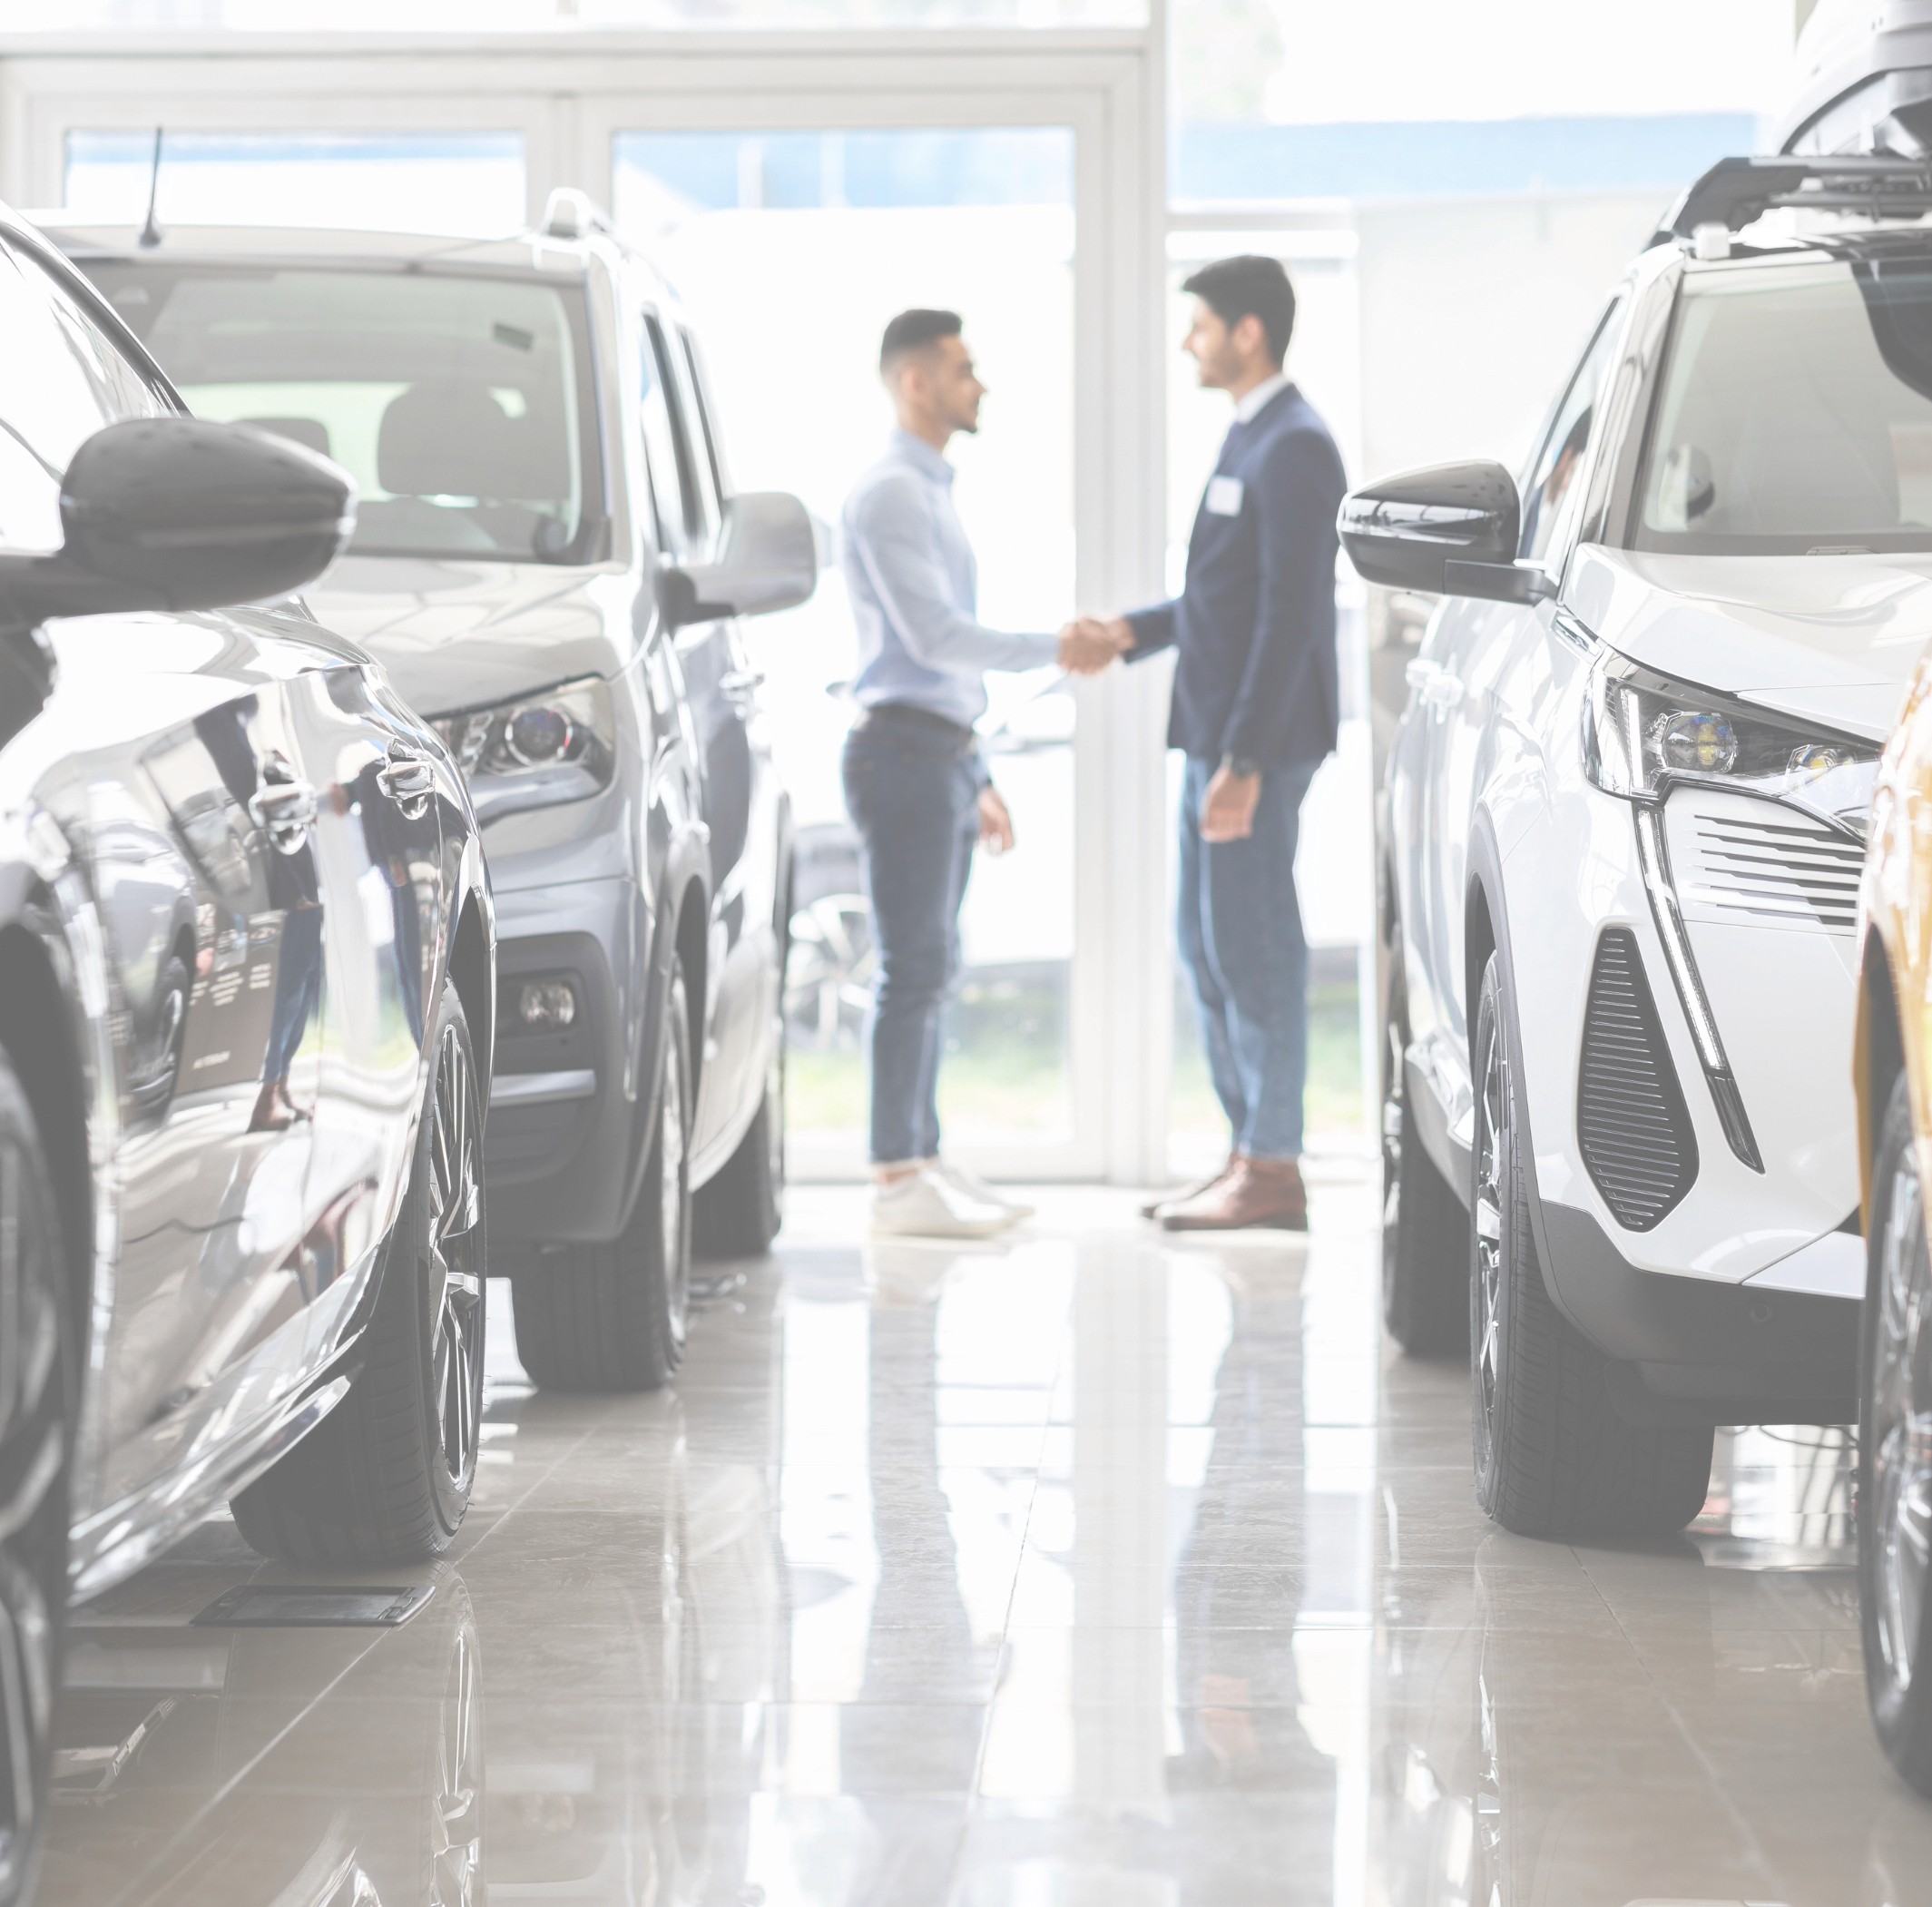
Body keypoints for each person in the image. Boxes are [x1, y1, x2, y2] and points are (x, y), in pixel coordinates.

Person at [842, 308, 1124, 1239]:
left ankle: (920, 1159)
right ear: (915, 381)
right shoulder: (891, 494)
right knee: (911, 967)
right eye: (963, 369)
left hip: (938, 752)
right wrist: (1056, 645)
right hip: (902, 754)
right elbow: (933, 640)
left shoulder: (926, 490)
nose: (980, 385)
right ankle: (896, 1177)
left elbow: (940, 667)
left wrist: (980, 771)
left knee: (933, 964)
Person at [1094, 256, 1346, 1231]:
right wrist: (1128, 631)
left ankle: (1271, 1168)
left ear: (1247, 332)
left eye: (1198, 325)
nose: (1186, 342)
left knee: (1253, 950)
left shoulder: (1295, 446)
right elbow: (1221, 597)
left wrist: (1241, 761)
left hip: (1255, 746)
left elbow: (1288, 615)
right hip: (1217, 735)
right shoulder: (1250, 434)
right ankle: (1248, 1153)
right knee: (1205, 948)